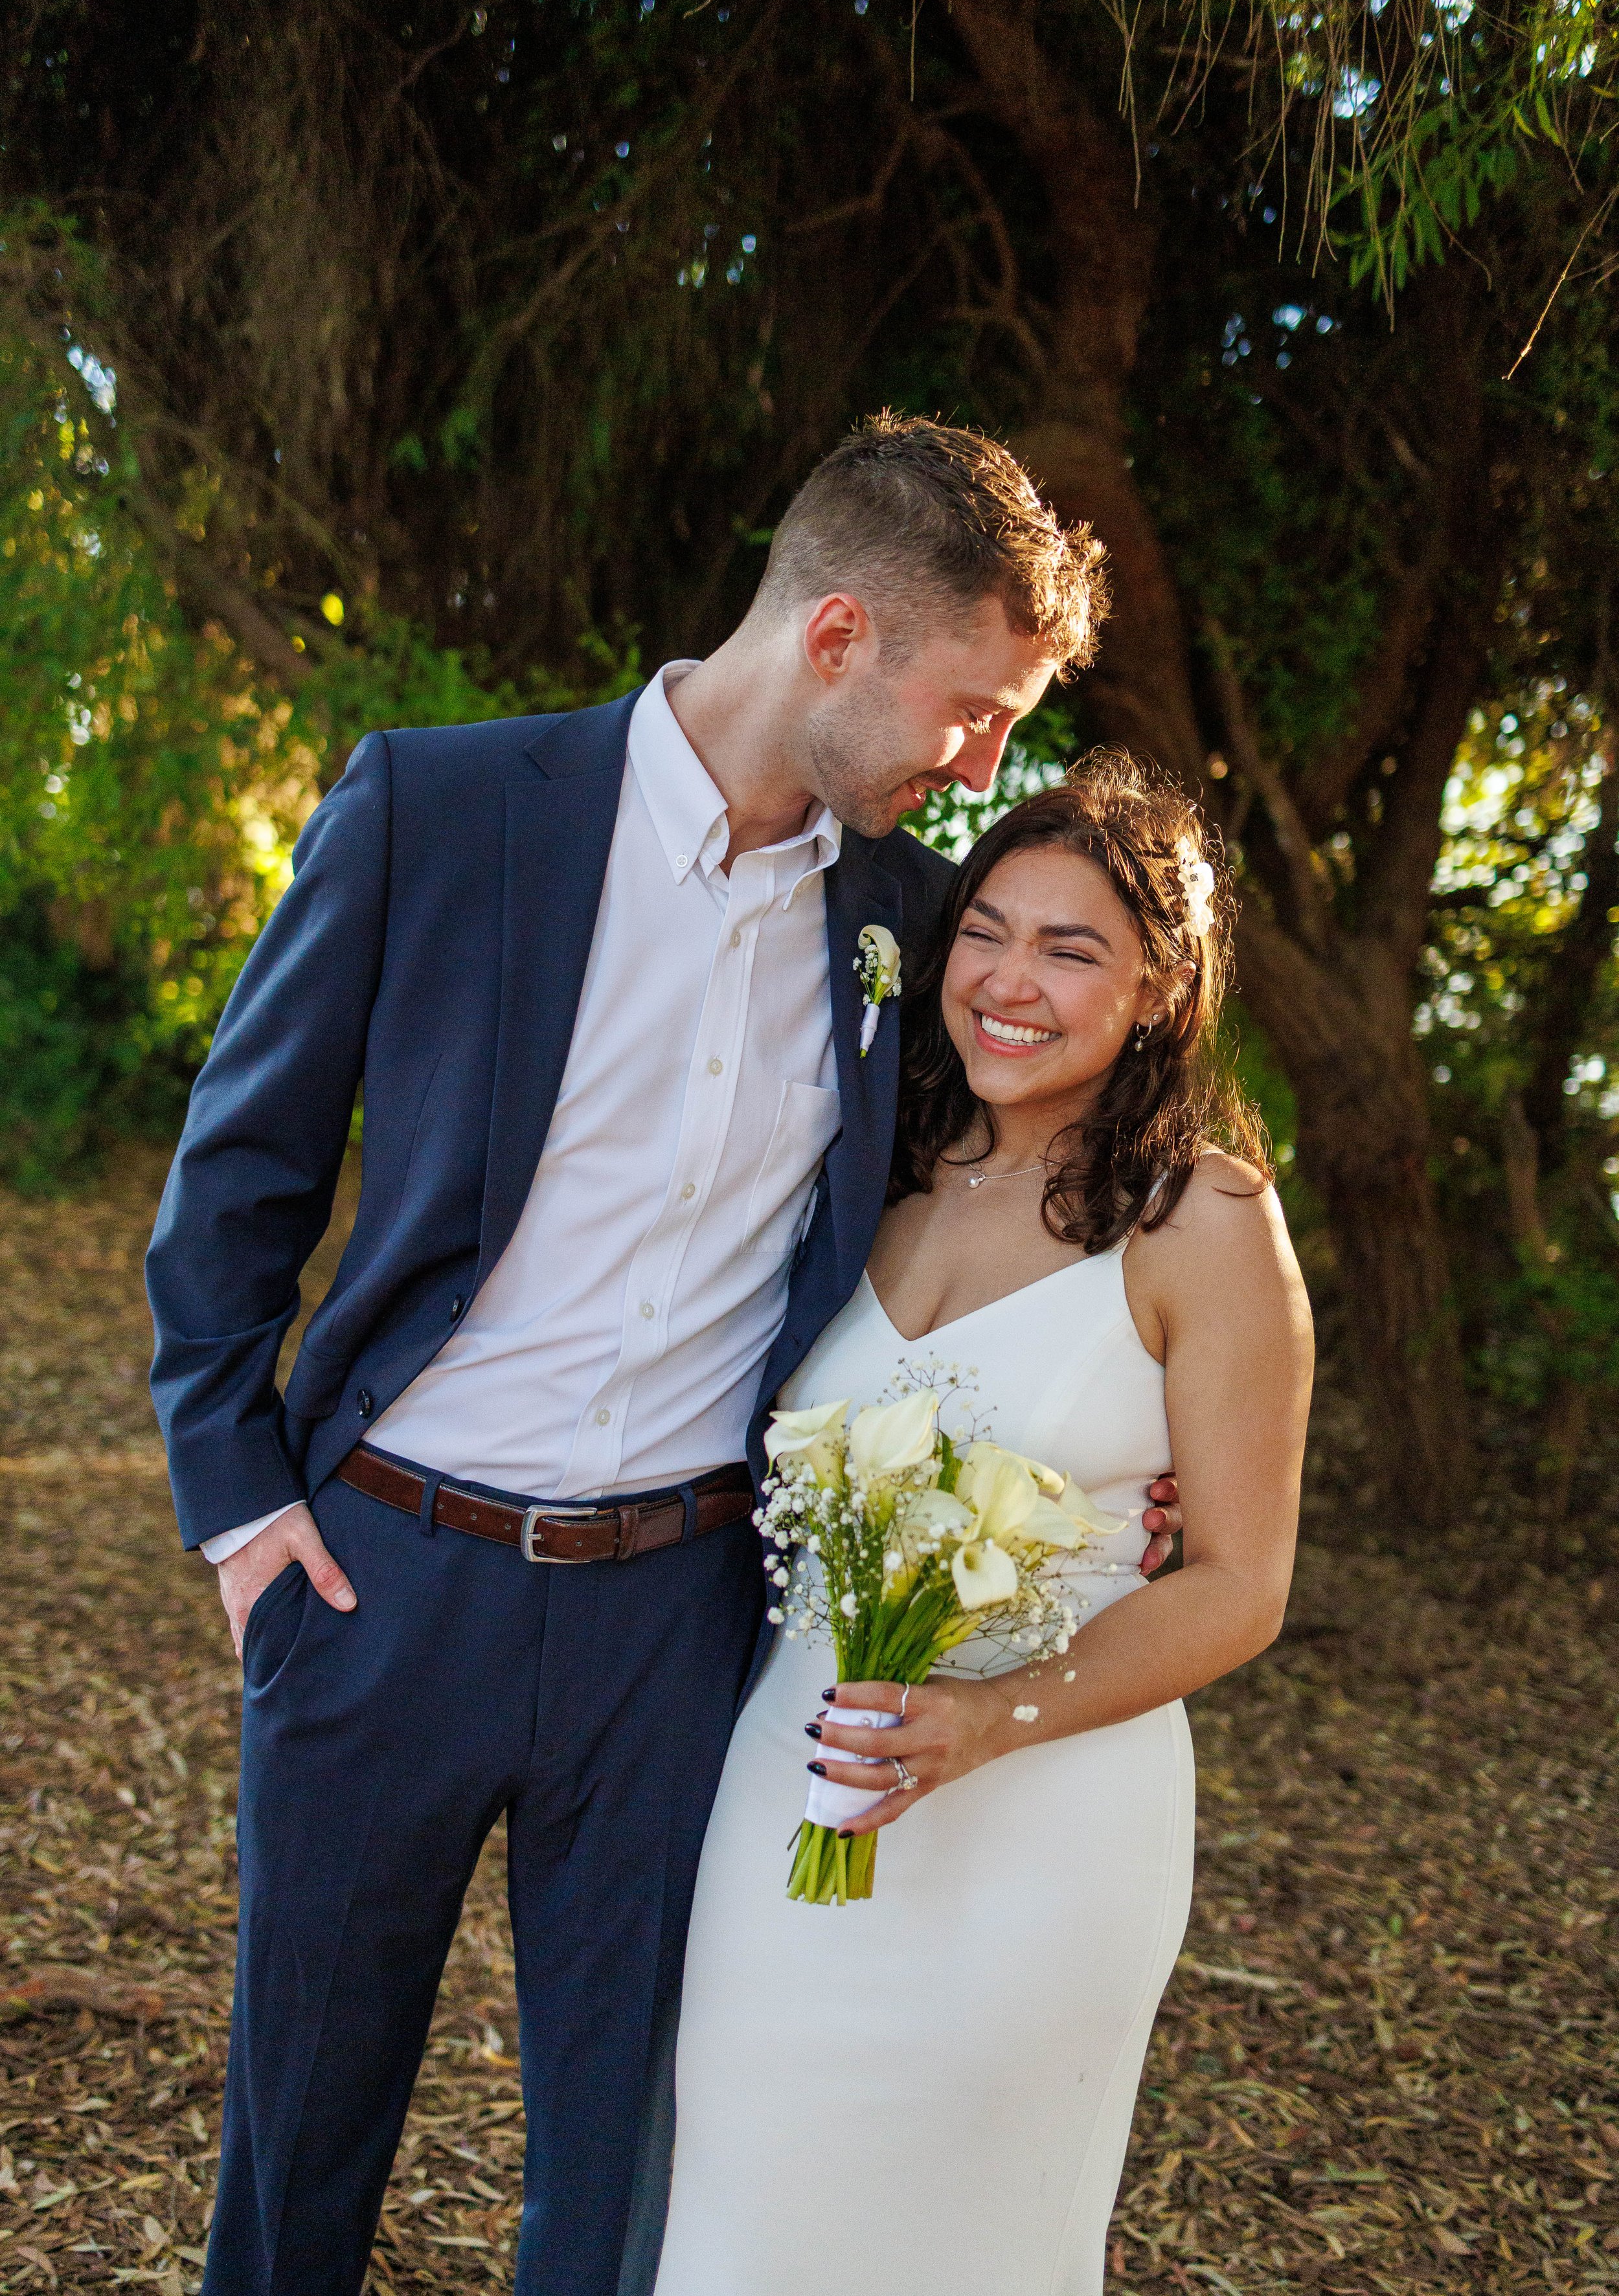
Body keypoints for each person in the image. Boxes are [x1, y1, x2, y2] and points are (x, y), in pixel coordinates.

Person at [144, 414, 1181, 2296]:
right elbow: (235, 1184)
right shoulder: (440, 810)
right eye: (976, 709)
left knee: (627, 2177)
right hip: (381, 1578)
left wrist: (1122, 1443)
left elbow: (1055, 1156)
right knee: (300, 2142)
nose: (985, 763)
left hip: (679, 1621)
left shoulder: (912, 921)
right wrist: (239, 1515)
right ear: (841, 634)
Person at [653, 752, 1313, 2296]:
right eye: (987, 932)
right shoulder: (873, 1170)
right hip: (791, 1791)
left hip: (1038, 1829)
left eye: (1071, 950)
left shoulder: (1200, 1219)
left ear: (1158, 989)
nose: (1010, 983)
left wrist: (986, 1717)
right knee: (742, 2217)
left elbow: (1237, 1585)